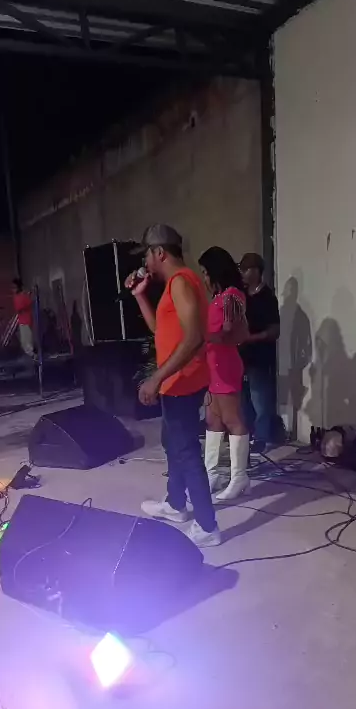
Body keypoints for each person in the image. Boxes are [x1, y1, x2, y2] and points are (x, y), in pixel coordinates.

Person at [126, 224, 220, 548]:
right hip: (178, 380)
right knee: (173, 442)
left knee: (186, 451)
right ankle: (176, 503)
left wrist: (156, 377)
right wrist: (140, 296)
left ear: (159, 252)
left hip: (181, 382)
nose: (145, 262)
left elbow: (193, 338)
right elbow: (160, 330)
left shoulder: (180, 281)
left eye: (147, 255)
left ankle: (207, 527)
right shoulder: (175, 284)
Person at [198, 246, 250, 501]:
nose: (204, 278)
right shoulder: (220, 297)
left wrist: (204, 337)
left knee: (232, 419)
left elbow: (235, 333)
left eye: (206, 272)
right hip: (213, 364)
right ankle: (212, 474)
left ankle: (239, 477)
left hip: (225, 364)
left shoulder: (232, 296)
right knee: (213, 419)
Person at [239, 253, 280, 453]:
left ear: (257, 271)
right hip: (241, 355)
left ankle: (261, 438)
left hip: (260, 356)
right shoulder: (241, 295)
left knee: (260, 400)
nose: (243, 273)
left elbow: (275, 330)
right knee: (243, 399)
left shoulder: (267, 297)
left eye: (246, 269)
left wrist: (253, 337)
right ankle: (244, 434)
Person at [12, 278, 34, 357]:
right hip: (21, 321)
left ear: (19, 287)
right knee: (23, 341)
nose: (13, 289)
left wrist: (21, 309)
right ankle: (29, 355)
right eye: (12, 288)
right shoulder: (16, 296)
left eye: (15, 287)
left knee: (27, 341)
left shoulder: (24, 296)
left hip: (26, 321)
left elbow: (28, 304)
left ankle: (32, 356)